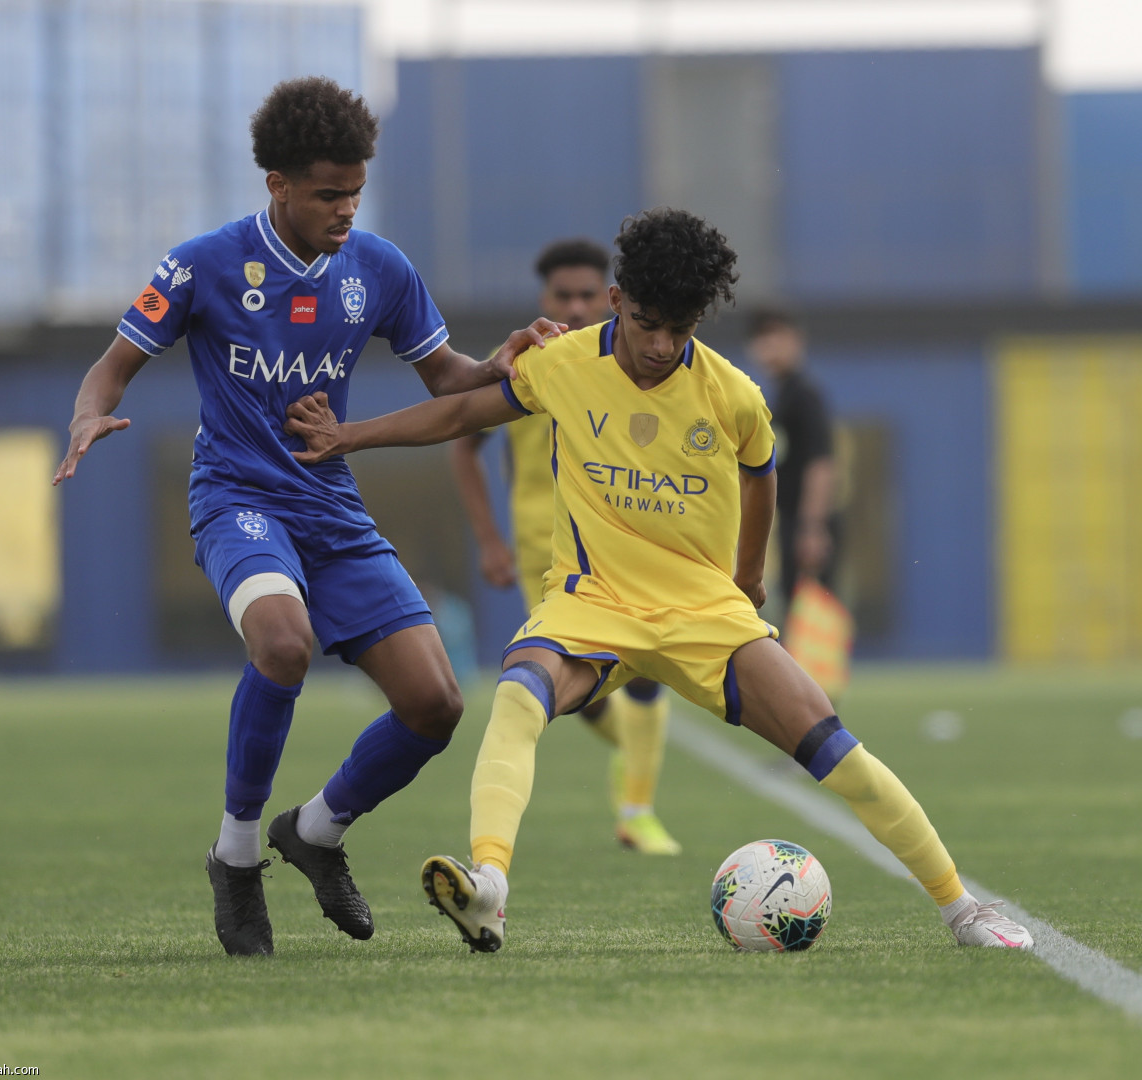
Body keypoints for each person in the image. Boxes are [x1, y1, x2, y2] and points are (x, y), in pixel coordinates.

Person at [283, 207, 1034, 956]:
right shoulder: (564, 364)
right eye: (648, 324)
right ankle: (490, 886)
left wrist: (744, 579)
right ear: (617, 302)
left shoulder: (734, 394)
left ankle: (964, 911)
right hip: (591, 604)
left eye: (682, 329)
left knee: (834, 747)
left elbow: (761, 475)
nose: (662, 345)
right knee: (517, 696)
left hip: (703, 612)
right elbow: (458, 415)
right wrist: (350, 435)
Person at [52, 76, 557, 957]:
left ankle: (315, 832)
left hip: (332, 507)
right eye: (329, 193)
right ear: (278, 184)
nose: (346, 210)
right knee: (282, 646)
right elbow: (111, 367)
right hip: (238, 500)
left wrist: (501, 362)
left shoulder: (380, 268)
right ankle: (237, 856)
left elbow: (448, 379)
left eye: (356, 191)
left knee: (437, 704)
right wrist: (90, 412)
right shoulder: (204, 263)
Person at [448, 238, 679, 855]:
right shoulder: (527, 359)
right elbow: (461, 442)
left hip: (626, 550)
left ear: (609, 298)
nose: (574, 307)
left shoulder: (637, 360)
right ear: (544, 299)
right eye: (562, 295)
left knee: (649, 672)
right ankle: (629, 764)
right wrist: (488, 540)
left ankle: (638, 808)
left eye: (586, 295)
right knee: (578, 696)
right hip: (544, 556)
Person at [744, 307, 840, 611]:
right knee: (797, 608)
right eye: (762, 338)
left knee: (816, 613)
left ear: (797, 340)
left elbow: (821, 463)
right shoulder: (781, 395)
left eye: (778, 336)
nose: (770, 346)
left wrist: (812, 527)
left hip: (809, 521)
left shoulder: (804, 396)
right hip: (792, 520)